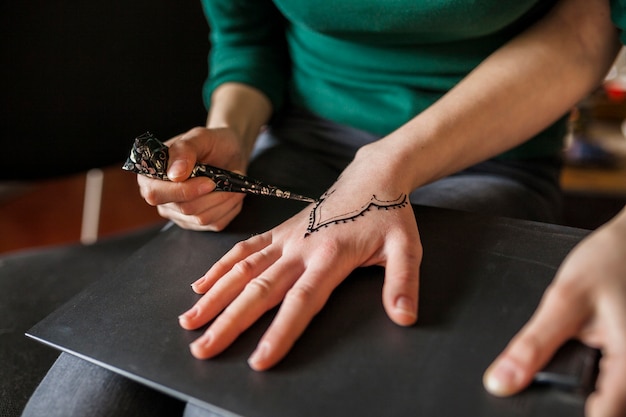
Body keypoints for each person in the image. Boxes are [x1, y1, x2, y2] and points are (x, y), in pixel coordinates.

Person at [20, 0, 626, 416]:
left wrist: (384, 167)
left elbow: (586, 28)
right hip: (299, 142)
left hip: (488, 154)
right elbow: (246, 38)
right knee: (84, 398)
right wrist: (231, 134)